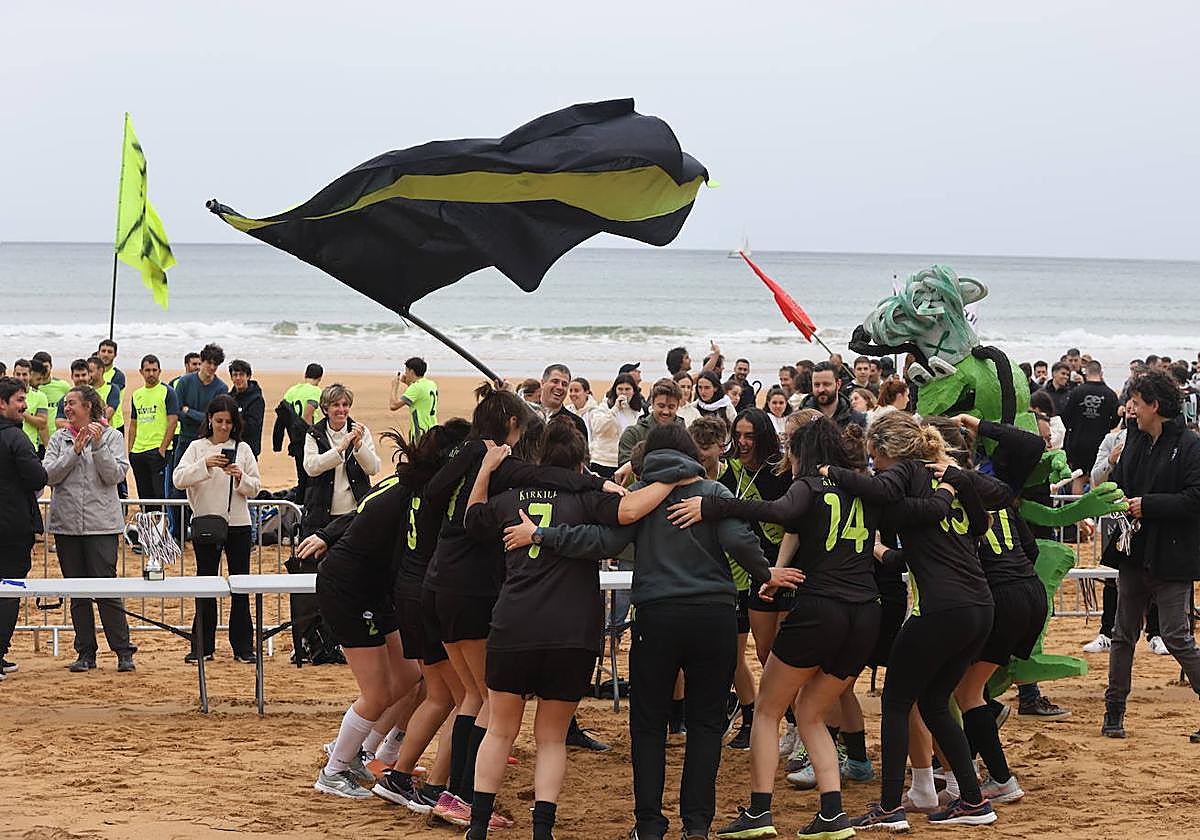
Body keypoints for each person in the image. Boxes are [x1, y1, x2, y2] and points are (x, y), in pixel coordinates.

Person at [504, 423, 802, 840]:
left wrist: (542, 533)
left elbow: (602, 542)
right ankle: (696, 825)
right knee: (705, 725)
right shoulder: (714, 493)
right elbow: (740, 539)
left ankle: (649, 824)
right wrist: (764, 573)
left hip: (657, 618)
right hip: (713, 618)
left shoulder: (641, 498)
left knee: (647, 726)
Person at [461, 419, 678, 840]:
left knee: (501, 729)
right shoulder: (588, 498)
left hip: (515, 624)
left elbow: (472, 519)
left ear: (539, 459)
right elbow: (628, 514)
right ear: (580, 461)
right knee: (552, 739)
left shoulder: (509, 498)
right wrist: (625, 483)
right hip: (572, 631)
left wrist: (486, 471)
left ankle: (478, 826)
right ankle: (543, 829)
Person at [673, 415, 882, 840]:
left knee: (768, 709)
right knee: (811, 712)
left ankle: (759, 811)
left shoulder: (808, 485)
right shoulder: (862, 488)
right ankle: (832, 814)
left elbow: (777, 511)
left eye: (790, 447)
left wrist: (716, 505)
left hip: (824, 605)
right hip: (866, 610)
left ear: (802, 451)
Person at [420, 385, 621, 827]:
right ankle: (478, 803)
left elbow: (452, 506)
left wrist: (482, 478)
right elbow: (603, 511)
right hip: (538, 618)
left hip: (465, 595)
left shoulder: (486, 474)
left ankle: (457, 803)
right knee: (514, 720)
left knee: (482, 708)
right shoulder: (551, 486)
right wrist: (602, 484)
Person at [820, 411, 1001, 829]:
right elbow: (970, 526)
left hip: (940, 608)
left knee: (896, 702)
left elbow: (880, 493)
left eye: (873, 457)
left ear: (886, 453)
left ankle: (888, 808)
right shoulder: (946, 478)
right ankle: (973, 801)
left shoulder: (904, 480)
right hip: (979, 606)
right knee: (936, 702)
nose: (872, 467)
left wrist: (833, 473)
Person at [1102, 370, 1200, 741]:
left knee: (1177, 636)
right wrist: (1116, 494)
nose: (1131, 410)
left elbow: (1195, 498)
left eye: (1137, 404)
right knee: (1122, 634)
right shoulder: (1132, 439)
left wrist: (1149, 505)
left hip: (1173, 557)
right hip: (1134, 553)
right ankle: (1114, 712)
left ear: (1155, 406)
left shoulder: (1190, 445)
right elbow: (1124, 485)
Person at [44, 385, 136, 673]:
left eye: (72, 403)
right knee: (78, 592)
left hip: (101, 524)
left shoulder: (112, 437)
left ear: (88, 406)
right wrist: (75, 451)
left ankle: (123, 651)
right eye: (65, 404)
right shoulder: (59, 439)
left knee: (107, 590)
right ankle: (85, 652)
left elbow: (114, 476)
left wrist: (96, 447)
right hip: (67, 525)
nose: (67, 408)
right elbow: (49, 475)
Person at [171, 395, 260, 663]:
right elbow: (178, 479)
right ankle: (202, 646)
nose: (223, 427)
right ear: (210, 420)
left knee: (240, 585)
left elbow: (255, 486)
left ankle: (243, 647)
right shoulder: (197, 447)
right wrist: (205, 465)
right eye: (219, 421)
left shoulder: (243, 449)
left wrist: (239, 477)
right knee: (206, 584)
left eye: (229, 422)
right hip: (207, 523)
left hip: (238, 524)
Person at [0, 377, 48, 676]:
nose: (25, 405)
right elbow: (38, 478)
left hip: (11, 523)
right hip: (13, 527)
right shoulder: (16, 438)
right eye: (19, 400)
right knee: (10, 590)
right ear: (2, 403)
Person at [302, 384, 380, 537]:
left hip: (354, 512)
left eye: (345, 405)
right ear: (325, 409)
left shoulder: (361, 431)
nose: (342, 410)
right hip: (321, 513)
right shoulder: (314, 433)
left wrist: (358, 445)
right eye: (336, 405)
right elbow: (311, 467)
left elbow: (374, 468)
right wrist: (338, 450)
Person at [127, 354, 179, 513]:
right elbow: (134, 425)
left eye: (154, 370)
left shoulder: (167, 392)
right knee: (144, 496)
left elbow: (172, 421)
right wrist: (130, 450)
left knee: (160, 495)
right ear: (141, 371)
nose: (151, 373)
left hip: (158, 452)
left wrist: (162, 449)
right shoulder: (137, 394)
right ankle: (147, 532)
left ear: (159, 371)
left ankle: (162, 532)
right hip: (138, 452)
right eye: (147, 370)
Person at [1061, 360, 1120, 495]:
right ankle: (1094, 514)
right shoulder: (1110, 394)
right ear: (1101, 373)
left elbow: (1066, 416)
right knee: (1098, 478)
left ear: (1086, 373)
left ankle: (1079, 515)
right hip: (1100, 441)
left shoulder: (1077, 391)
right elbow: (1115, 420)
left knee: (1079, 477)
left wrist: (1075, 427)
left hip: (1078, 441)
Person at [618, 379, 686, 467]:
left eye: (671, 407)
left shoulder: (685, 435)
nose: (666, 411)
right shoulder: (633, 434)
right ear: (652, 403)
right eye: (661, 406)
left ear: (677, 406)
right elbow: (625, 470)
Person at [568, 377, 621, 478]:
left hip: (591, 459)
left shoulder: (595, 411)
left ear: (586, 392)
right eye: (571, 391)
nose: (573, 394)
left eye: (576, 391)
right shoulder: (567, 410)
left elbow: (596, 436)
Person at [801, 362, 866, 430]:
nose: (821, 390)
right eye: (817, 385)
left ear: (838, 384)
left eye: (826, 384)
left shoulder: (856, 420)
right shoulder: (801, 419)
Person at [390, 356, 439, 442]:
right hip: (433, 430)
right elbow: (418, 397)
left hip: (421, 433)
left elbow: (393, 406)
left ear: (411, 372)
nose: (405, 374)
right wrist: (408, 384)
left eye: (406, 371)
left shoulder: (415, 388)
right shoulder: (431, 384)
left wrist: (394, 387)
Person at [535, 364, 589, 441]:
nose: (560, 387)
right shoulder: (527, 416)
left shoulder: (576, 424)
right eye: (555, 381)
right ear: (543, 383)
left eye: (564, 384)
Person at [228, 359, 265, 458]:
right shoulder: (229, 397)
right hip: (230, 447)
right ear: (231, 377)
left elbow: (251, 426)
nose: (238, 378)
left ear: (248, 376)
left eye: (241, 375)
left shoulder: (256, 399)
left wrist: (231, 425)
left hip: (249, 450)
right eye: (235, 375)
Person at [11, 360, 49, 455]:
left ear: (30, 375)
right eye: (18, 374)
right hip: (9, 446)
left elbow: (42, 423)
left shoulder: (40, 396)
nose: (21, 378)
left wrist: (20, 411)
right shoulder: (5, 394)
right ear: (13, 374)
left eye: (24, 374)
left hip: (30, 447)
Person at [86, 356, 123, 431]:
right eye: (86, 372)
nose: (88, 375)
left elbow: (107, 415)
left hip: (107, 434)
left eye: (90, 371)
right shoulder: (84, 389)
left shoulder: (113, 389)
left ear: (100, 370)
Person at [54, 359, 92, 430]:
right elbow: (59, 422)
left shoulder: (96, 397)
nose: (80, 378)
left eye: (83, 375)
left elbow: (103, 420)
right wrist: (82, 427)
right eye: (77, 376)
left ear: (89, 375)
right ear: (72, 377)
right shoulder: (65, 399)